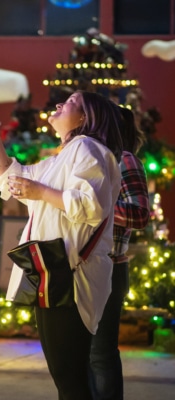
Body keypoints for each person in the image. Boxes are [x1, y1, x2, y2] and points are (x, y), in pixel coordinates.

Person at [0, 77, 122, 400]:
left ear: (85, 118)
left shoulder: (88, 149)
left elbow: (90, 206)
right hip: (53, 276)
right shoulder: (60, 160)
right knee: (69, 379)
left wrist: (39, 191)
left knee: (70, 381)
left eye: (70, 102)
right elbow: (7, 177)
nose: (58, 104)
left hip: (70, 281)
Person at [89, 106, 150, 400]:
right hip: (82, 267)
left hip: (111, 266)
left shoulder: (124, 160)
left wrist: (94, 204)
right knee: (82, 355)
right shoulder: (89, 161)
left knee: (100, 355)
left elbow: (140, 215)